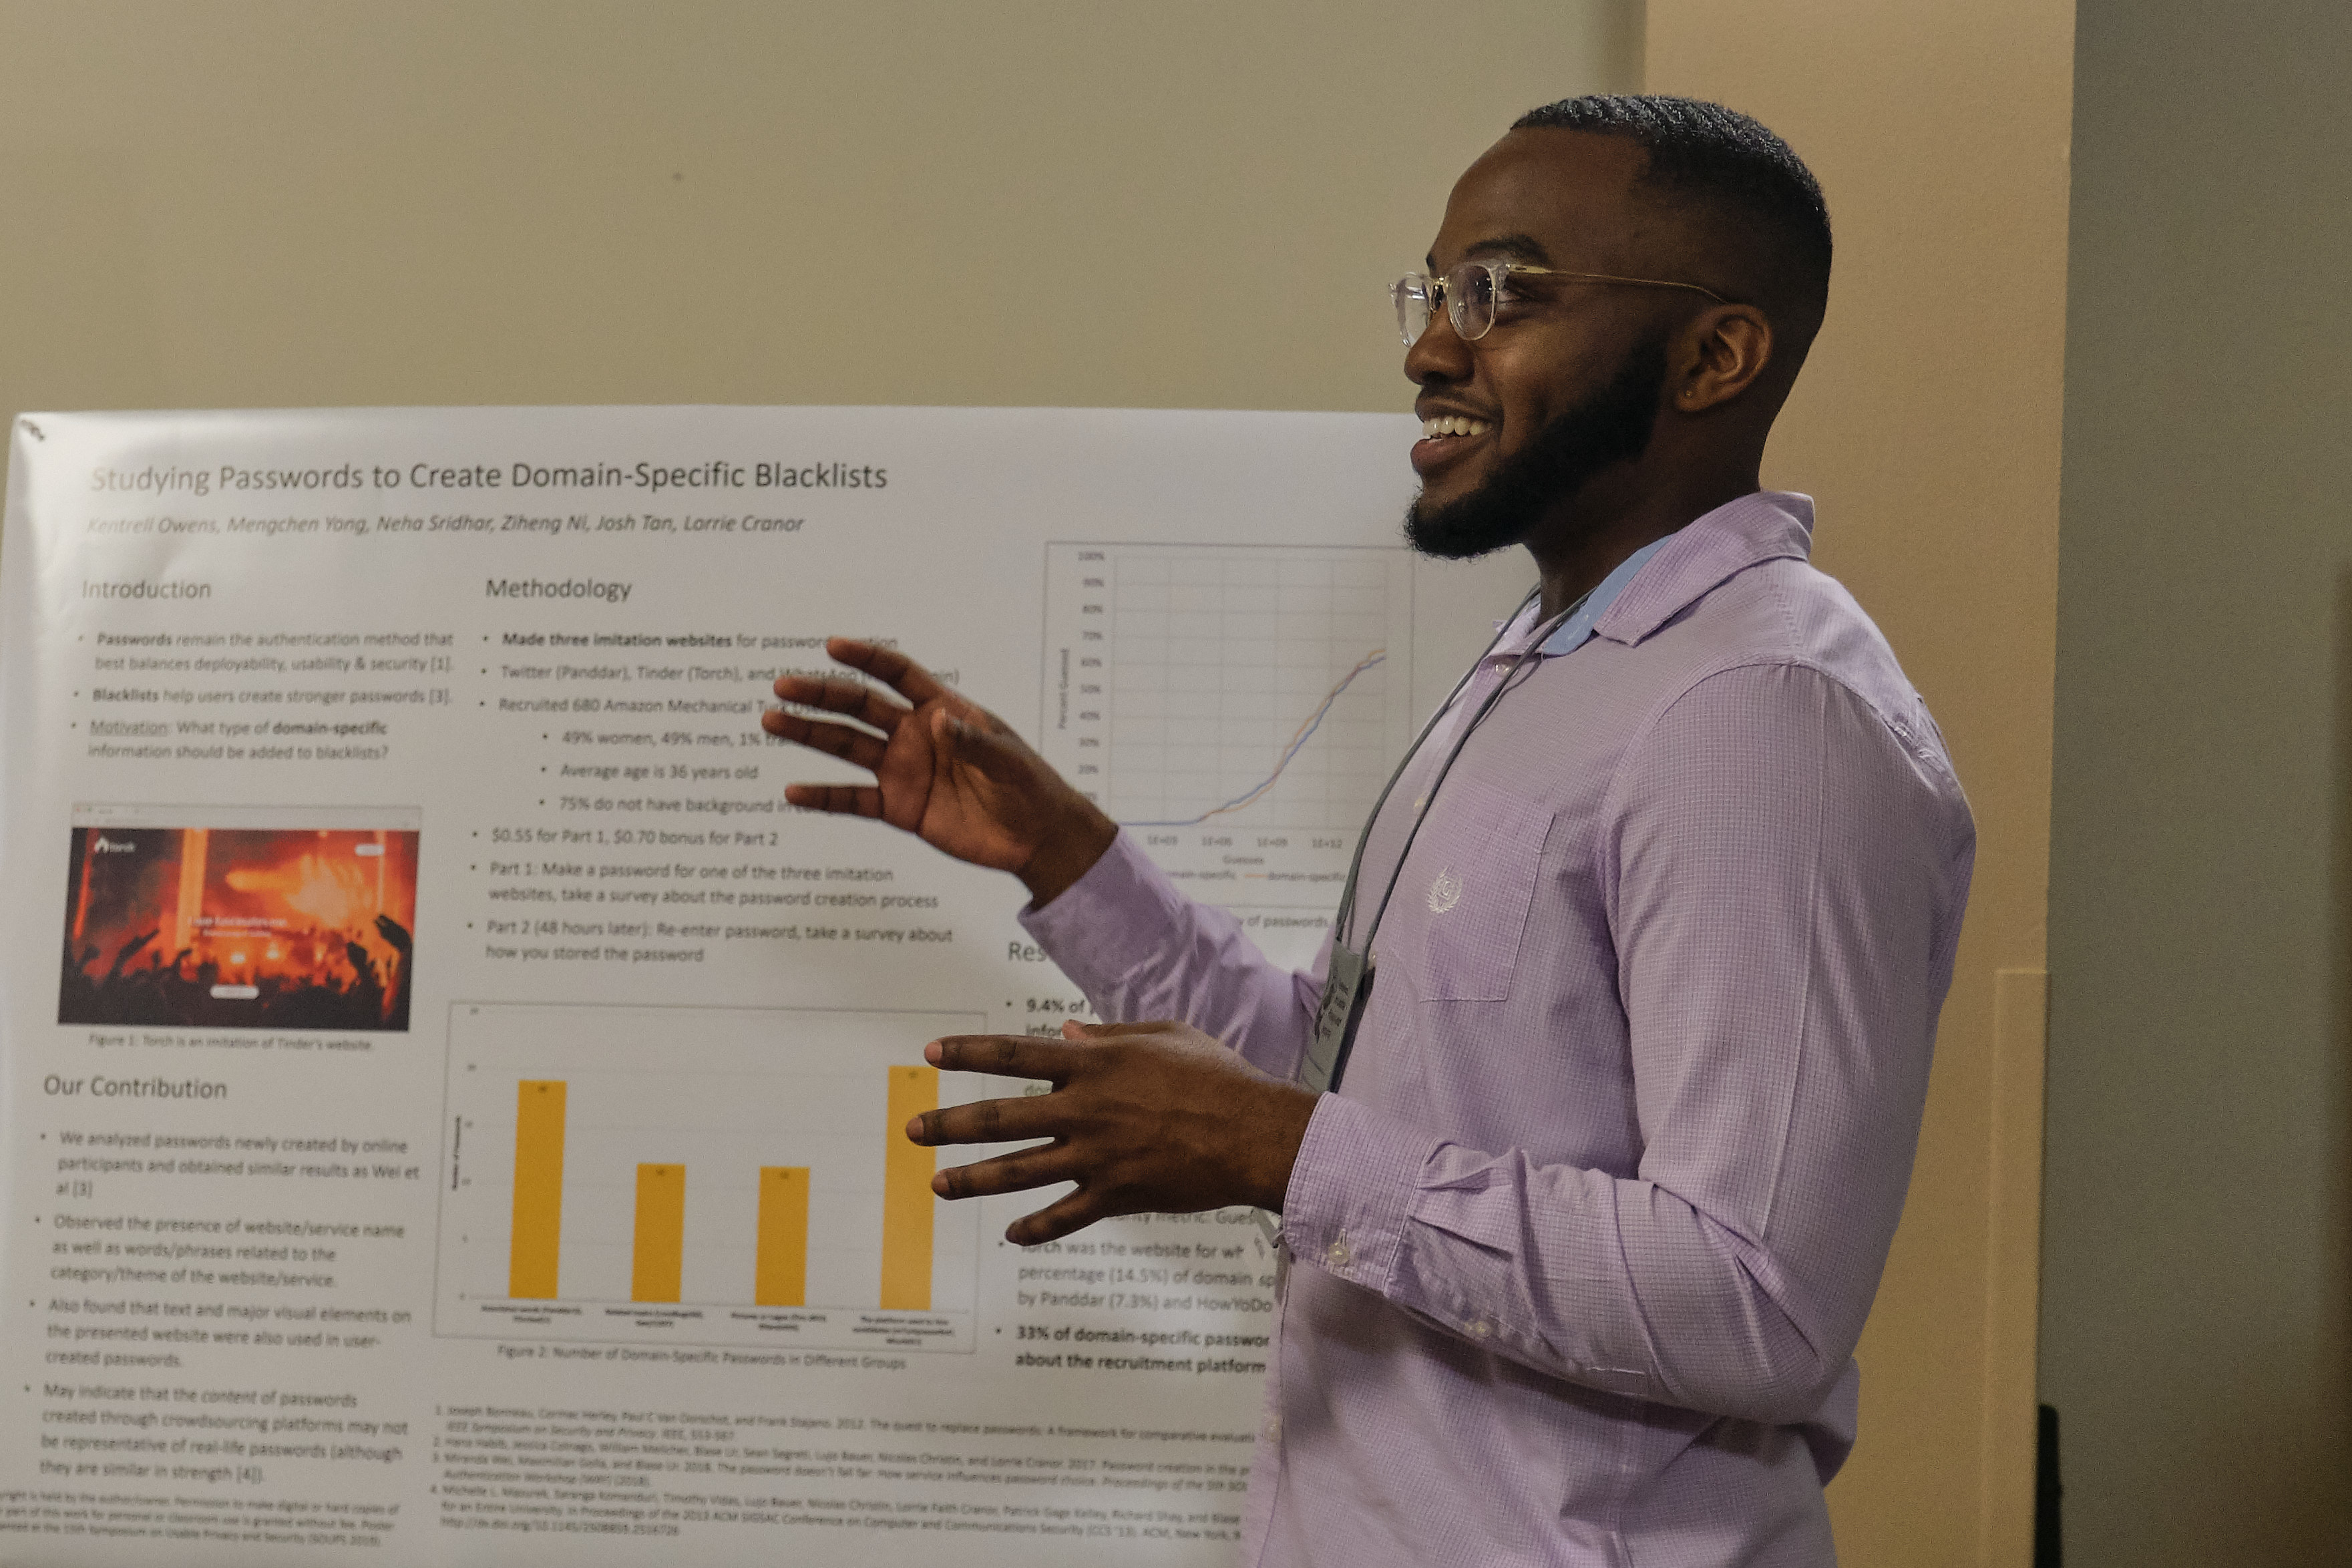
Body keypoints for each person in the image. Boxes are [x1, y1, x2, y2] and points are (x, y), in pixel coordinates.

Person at [762, 94, 1975, 1567]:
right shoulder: (1551, 664)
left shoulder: (1760, 708)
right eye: (1434, 291)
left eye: (1502, 295)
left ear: (1715, 355)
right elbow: (1351, 1082)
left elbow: (1752, 1299)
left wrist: (1285, 1150)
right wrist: (1071, 859)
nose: (1430, 348)